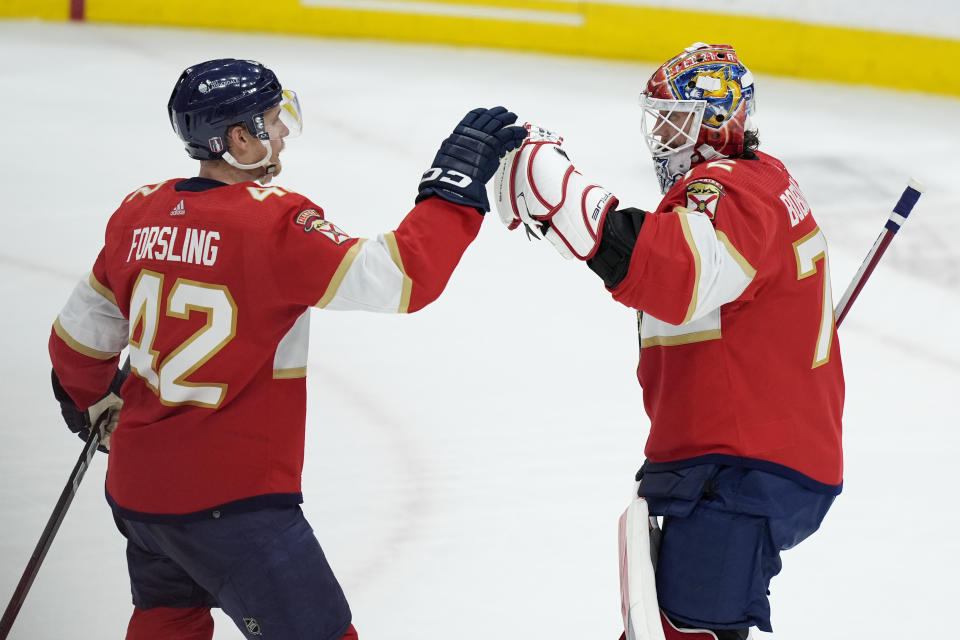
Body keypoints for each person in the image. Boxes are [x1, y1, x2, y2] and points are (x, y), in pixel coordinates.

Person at [48, 58, 526, 640]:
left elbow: (77, 341)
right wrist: (450, 194)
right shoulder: (273, 224)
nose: (283, 132)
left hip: (140, 496)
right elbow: (403, 277)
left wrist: (90, 401)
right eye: (272, 121)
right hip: (235, 506)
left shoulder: (136, 214)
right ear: (237, 139)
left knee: (166, 620)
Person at [494, 43, 843, 639]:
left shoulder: (727, 191)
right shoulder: (763, 179)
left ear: (717, 116)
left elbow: (674, 273)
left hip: (738, 468)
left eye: (673, 119)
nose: (660, 135)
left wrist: (563, 192)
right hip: (740, 457)